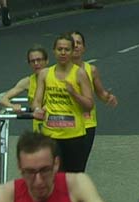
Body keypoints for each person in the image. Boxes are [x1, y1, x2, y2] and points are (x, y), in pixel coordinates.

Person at [31, 34, 93, 173]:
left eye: (67, 49)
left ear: (72, 52)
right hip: (51, 135)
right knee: (52, 177)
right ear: (54, 51)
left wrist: (74, 93)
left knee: (73, 180)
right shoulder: (45, 74)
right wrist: (37, 110)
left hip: (74, 136)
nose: (63, 53)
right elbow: (37, 101)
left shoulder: (80, 74)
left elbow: (89, 105)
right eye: (60, 49)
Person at [70, 31, 117, 169]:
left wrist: (108, 97)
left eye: (79, 43)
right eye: (73, 43)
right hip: (66, 123)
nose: (76, 46)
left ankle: (74, 189)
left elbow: (100, 92)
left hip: (87, 123)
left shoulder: (91, 70)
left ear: (84, 48)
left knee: (79, 164)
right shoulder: (60, 72)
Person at [0, 45, 48, 131]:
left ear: (46, 61)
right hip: (39, 127)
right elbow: (3, 99)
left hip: (57, 124)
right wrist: (12, 106)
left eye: (39, 60)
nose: (36, 64)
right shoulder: (27, 81)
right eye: (33, 61)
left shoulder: (56, 77)